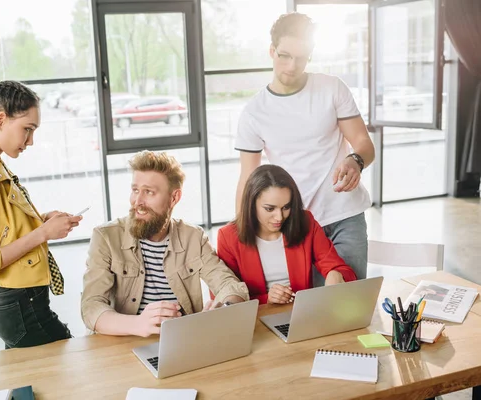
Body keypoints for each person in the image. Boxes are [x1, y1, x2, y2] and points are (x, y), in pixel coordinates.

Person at [234, 12, 374, 287]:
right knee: (309, 311)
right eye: (284, 55)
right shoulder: (254, 112)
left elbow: (364, 145)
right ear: (271, 51)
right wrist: (241, 231)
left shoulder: (332, 88)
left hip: (345, 215)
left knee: (348, 304)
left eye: (301, 57)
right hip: (295, 222)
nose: (291, 65)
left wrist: (355, 161)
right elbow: (248, 177)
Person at [0, 81, 82, 348]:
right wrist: (42, 233)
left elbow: (2, 229)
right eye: (27, 130)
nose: (31, 141)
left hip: (23, 301)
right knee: (67, 361)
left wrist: (39, 221)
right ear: (0, 120)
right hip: (19, 305)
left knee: (40, 380)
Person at [81, 150, 249, 337]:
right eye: (135, 190)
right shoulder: (105, 237)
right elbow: (91, 306)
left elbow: (228, 284)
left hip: (182, 341)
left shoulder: (193, 237)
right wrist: (137, 324)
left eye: (149, 192)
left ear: (174, 197)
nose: (138, 201)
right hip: (125, 343)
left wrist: (225, 308)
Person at [219, 165, 356, 304]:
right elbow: (225, 300)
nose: (279, 217)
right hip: (254, 317)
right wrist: (267, 299)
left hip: (301, 314)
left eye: (286, 207)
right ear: (251, 203)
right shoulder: (228, 237)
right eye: (270, 208)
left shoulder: (305, 222)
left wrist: (336, 274)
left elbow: (343, 270)